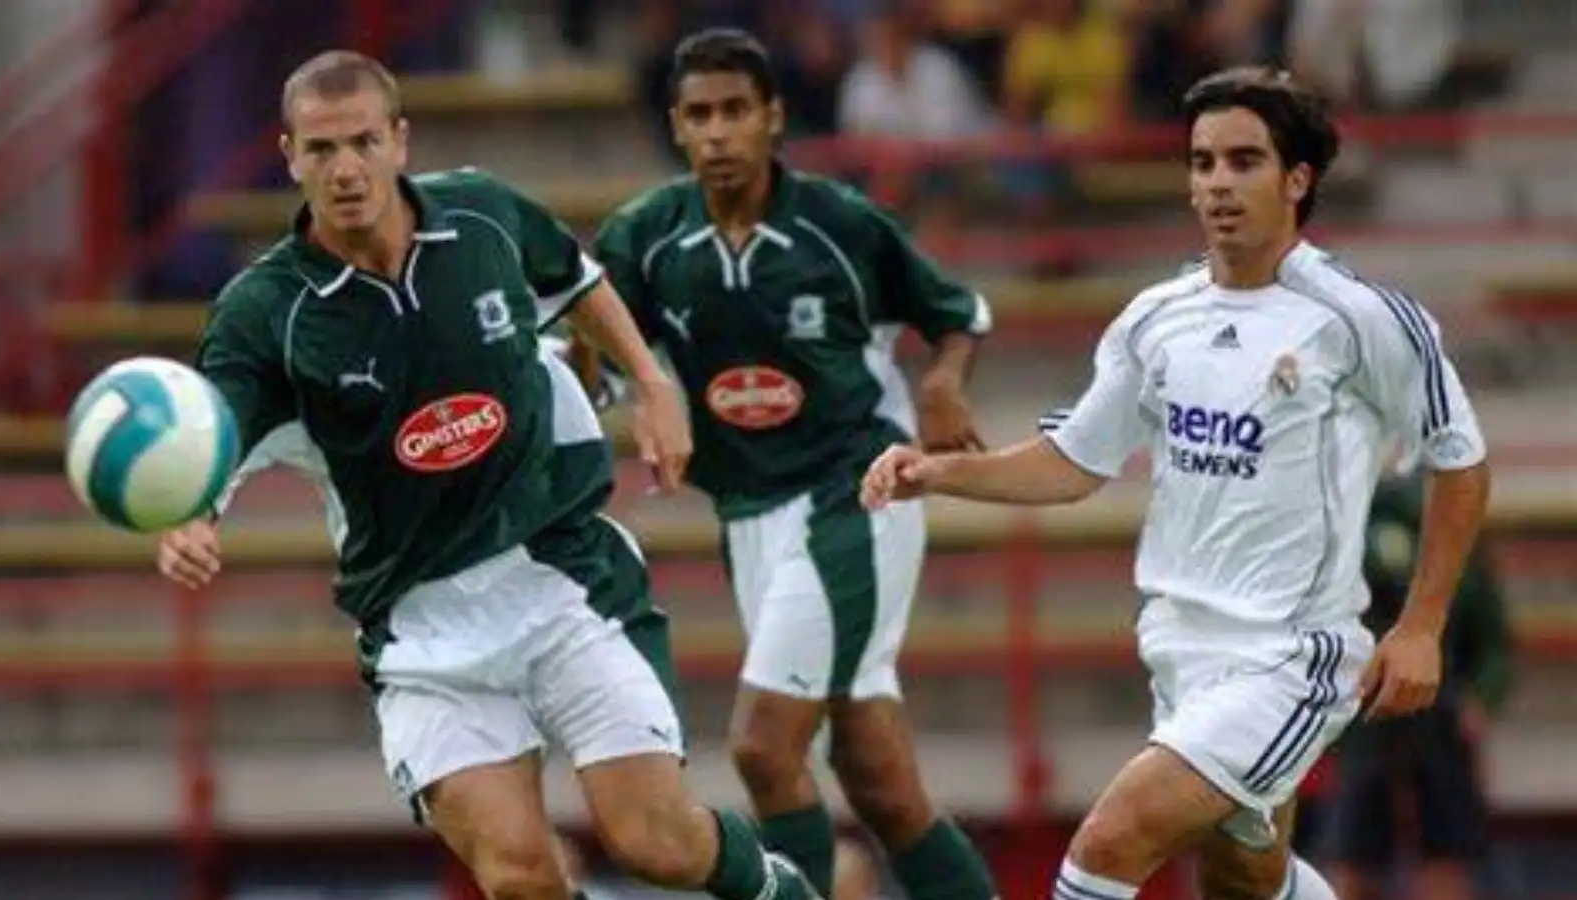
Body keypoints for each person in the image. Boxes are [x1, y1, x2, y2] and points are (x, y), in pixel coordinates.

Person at [154, 49, 822, 900]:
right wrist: (190, 516)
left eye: (363, 142)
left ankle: (780, 890)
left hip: (561, 580)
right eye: (321, 151)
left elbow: (576, 279)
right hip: (424, 632)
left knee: (657, 840)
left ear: (400, 140)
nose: (346, 169)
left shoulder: (482, 216)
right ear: (289, 157)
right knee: (518, 875)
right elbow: (211, 434)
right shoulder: (264, 313)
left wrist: (652, 384)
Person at [860, 65, 1493, 900]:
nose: (1217, 184)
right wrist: (940, 472)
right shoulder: (1158, 319)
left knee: (1105, 847)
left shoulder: (1361, 318)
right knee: (1244, 879)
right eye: (1202, 163)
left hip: (1289, 658)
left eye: (1243, 162)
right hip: (1179, 651)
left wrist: (1420, 626)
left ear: (1296, 180)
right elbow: (1076, 461)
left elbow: (1461, 456)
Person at [593, 28, 998, 900]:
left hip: (855, 495)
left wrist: (945, 382)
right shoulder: (646, 239)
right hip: (748, 515)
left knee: (761, 748)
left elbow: (958, 310)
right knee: (882, 784)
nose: (717, 133)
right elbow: (595, 352)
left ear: (773, 117)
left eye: (735, 111)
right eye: (698, 114)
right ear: (675, 125)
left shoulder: (839, 225)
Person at [1316, 466, 1511, 900]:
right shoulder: (1342, 534)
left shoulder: (1466, 550)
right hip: (1364, 716)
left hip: (1442, 715)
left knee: (1446, 845)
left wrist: (1481, 700)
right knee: (1354, 846)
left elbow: (1493, 640)